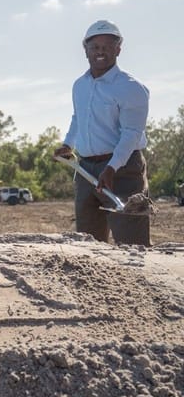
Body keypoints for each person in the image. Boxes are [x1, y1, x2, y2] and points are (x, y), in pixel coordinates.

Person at [53, 20, 150, 246]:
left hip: (123, 171)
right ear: (85, 49)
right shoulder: (80, 85)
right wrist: (68, 145)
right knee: (89, 244)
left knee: (132, 243)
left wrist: (112, 167)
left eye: (107, 46)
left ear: (118, 48)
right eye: (95, 46)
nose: (100, 51)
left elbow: (131, 134)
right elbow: (79, 118)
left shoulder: (131, 88)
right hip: (86, 171)